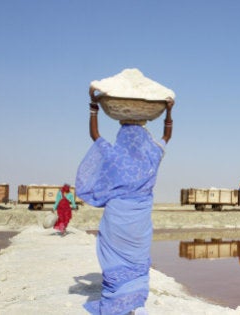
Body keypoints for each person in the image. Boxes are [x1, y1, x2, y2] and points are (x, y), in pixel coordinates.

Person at [77, 88, 174, 315]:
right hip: (139, 223)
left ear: (122, 137)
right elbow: (167, 136)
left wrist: (93, 106)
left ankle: (117, 303)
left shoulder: (115, 157)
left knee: (115, 262)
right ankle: (136, 305)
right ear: (142, 140)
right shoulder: (152, 156)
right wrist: (169, 111)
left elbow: (95, 135)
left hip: (116, 220)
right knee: (137, 263)